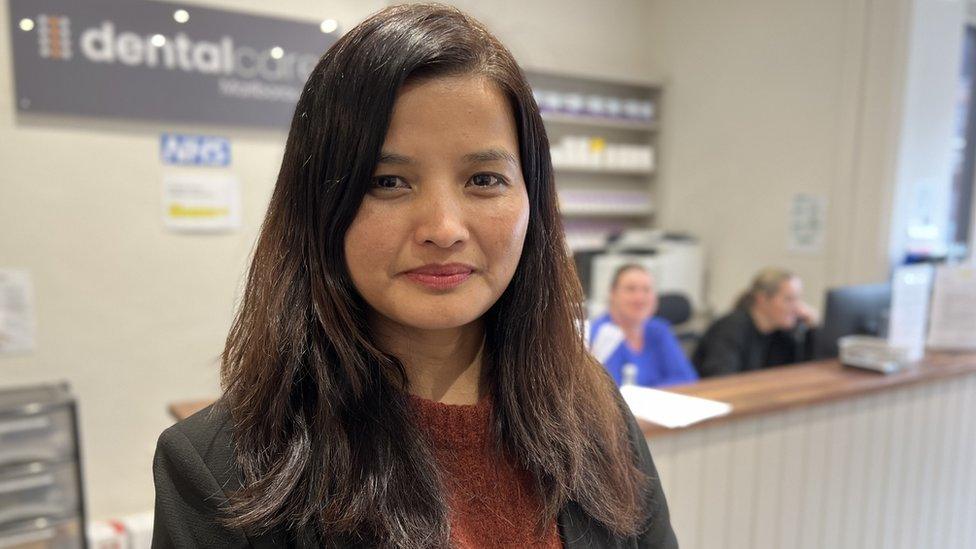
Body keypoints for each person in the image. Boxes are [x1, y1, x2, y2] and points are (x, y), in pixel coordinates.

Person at [151, 5, 676, 548]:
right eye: (388, 182)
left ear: (532, 201)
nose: (444, 229)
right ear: (319, 205)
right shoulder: (219, 470)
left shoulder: (594, 410)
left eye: (484, 178)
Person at [693, 267, 818, 378]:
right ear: (762, 299)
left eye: (798, 299)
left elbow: (801, 374)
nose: (798, 308)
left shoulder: (782, 331)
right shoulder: (730, 329)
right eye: (789, 299)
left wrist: (812, 329)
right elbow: (721, 380)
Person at [588, 264, 698, 387]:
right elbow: (612, 393)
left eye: (646, 290)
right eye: (630, 289)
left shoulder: (659, 330)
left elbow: (687, 379)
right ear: (612, 294)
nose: (639, 298)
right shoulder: (600, 335)